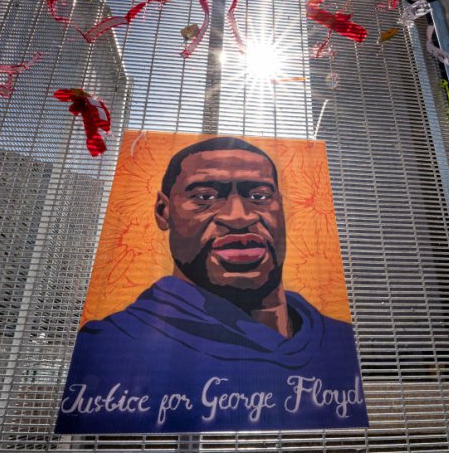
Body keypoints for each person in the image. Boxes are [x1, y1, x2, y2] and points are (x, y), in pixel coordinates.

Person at [55, 137, 367, 434]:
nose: (239, 216)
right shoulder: (111, 346)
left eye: (259, 196)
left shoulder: (338, 340)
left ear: (281, 208)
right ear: (163, 211)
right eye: (204, 197)